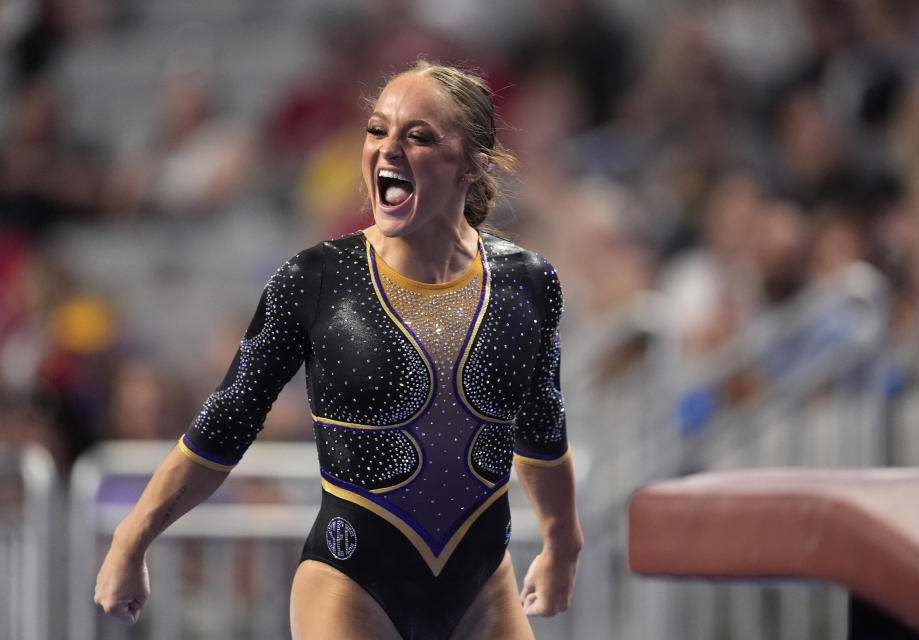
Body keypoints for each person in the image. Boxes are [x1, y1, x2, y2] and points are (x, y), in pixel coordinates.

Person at [94, 60, 583, 640]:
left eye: (419, 135)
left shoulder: (526, 282)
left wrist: (562, 542)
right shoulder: (317, 279)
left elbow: (541, 427)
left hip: (481, 592)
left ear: (473, 167)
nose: (388, 149)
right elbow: (225, 423)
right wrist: (133, 537)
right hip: (352, 587)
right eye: (378, 130)